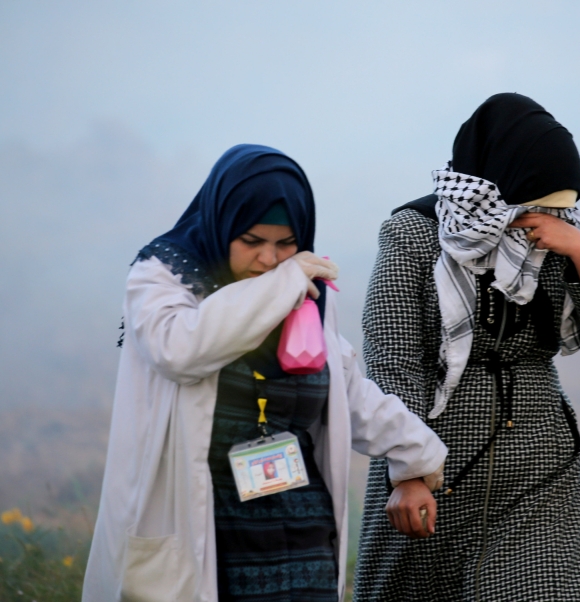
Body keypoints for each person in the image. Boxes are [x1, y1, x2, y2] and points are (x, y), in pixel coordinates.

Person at [83, 144, 448, 602]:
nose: (270, 259)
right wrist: (284, 285)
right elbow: (179, 349)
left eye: (285, 243)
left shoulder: (304, 289)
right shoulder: (164, 279)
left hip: (301, 531)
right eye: (252, 242)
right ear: (222, 226)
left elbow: (347, 388)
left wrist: (416, 460)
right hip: (207, 532)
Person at [352, 93, 580, 601]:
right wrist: (410, 470)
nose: (547, 217)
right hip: (435, 466)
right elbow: (393, 359)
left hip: (539, 469)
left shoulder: (561, 237)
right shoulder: (413, 235)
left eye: (560, 207)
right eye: (538, 203)